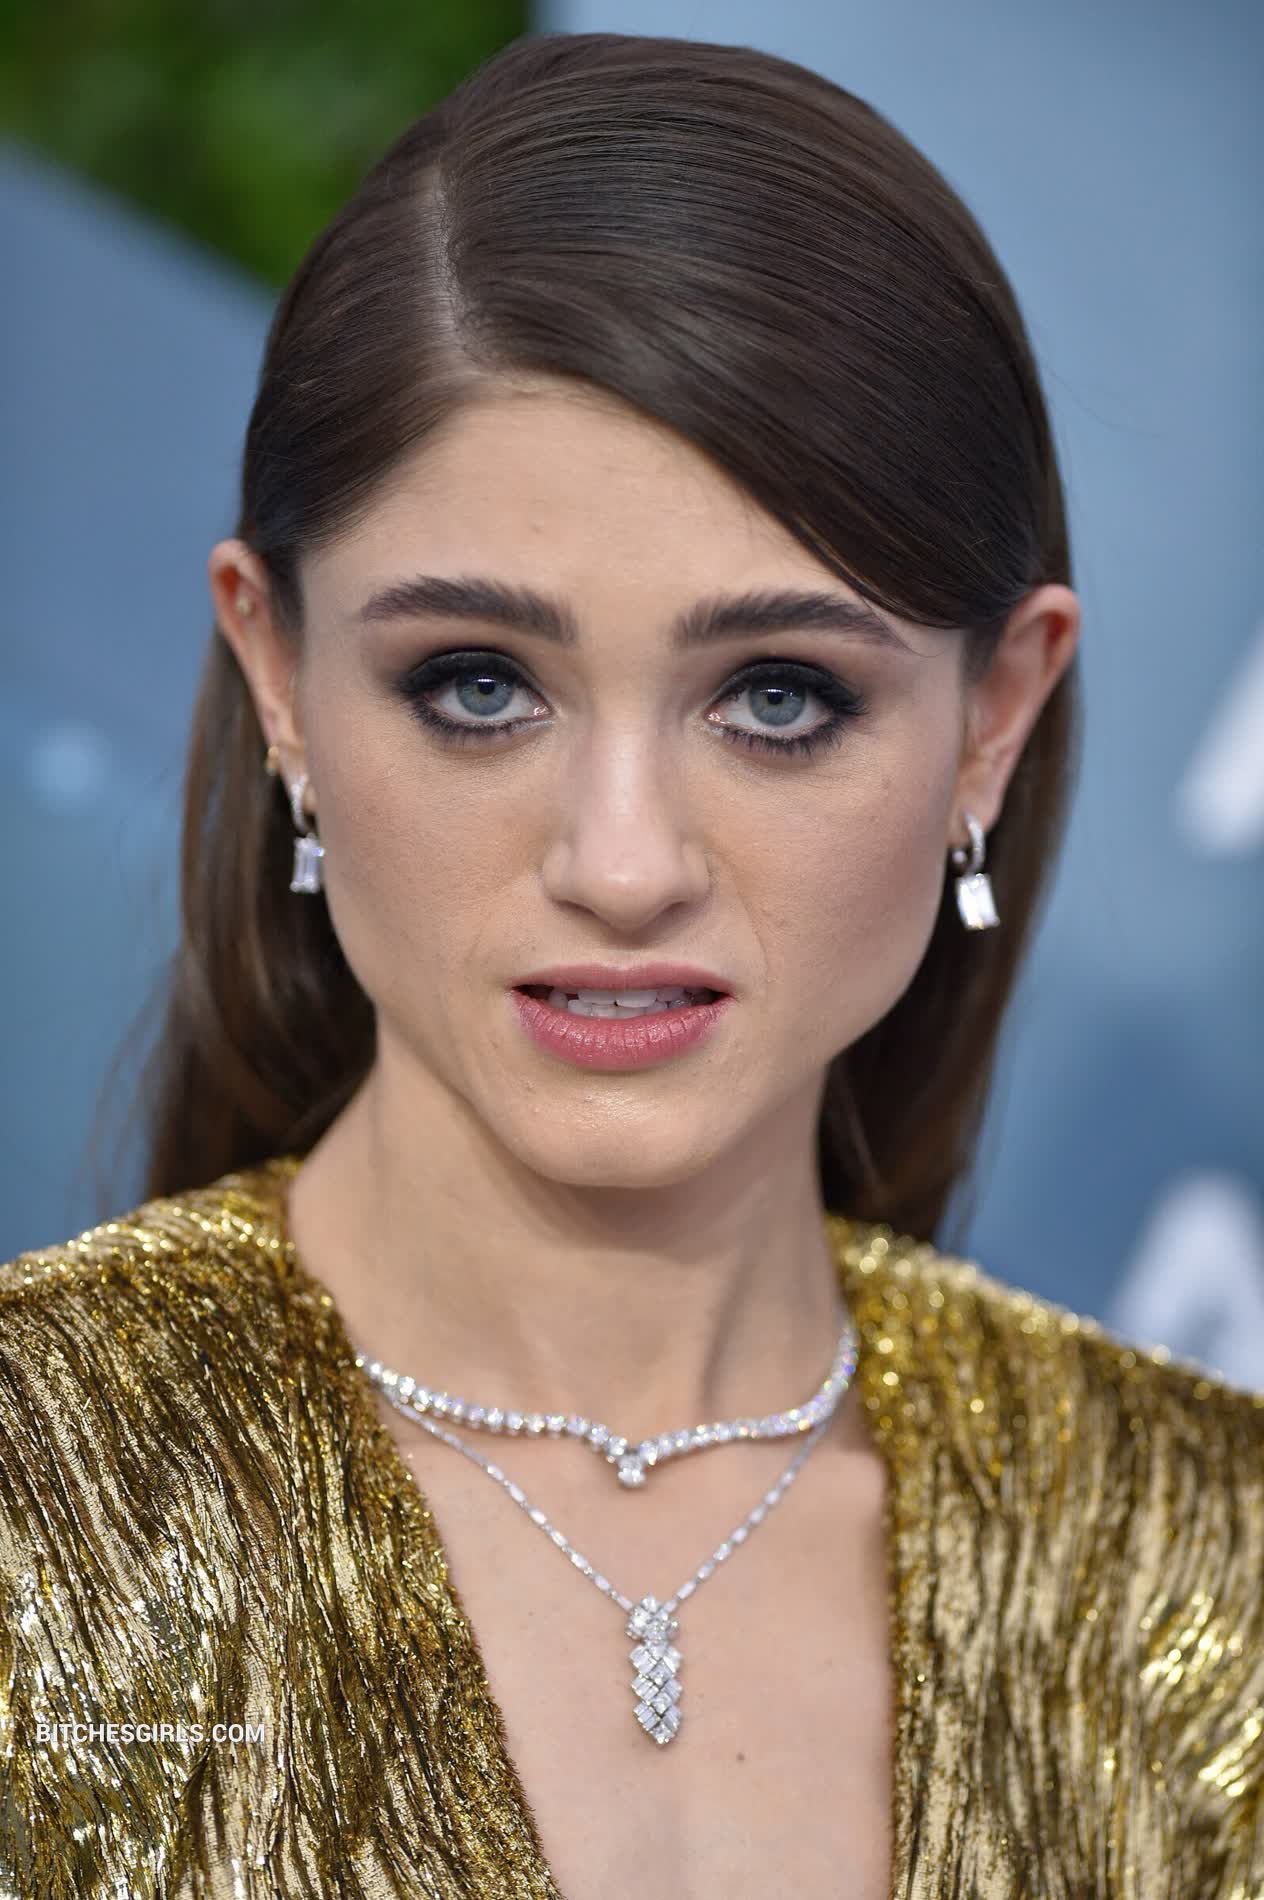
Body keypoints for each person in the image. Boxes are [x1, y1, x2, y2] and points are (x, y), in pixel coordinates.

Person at [1, 28, 1260, 1900]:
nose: (620, 865)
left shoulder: (1210, 1564)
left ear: (993, 720)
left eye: (779, 698)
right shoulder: (31, 1510)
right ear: (280, 678)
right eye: (477, 685)